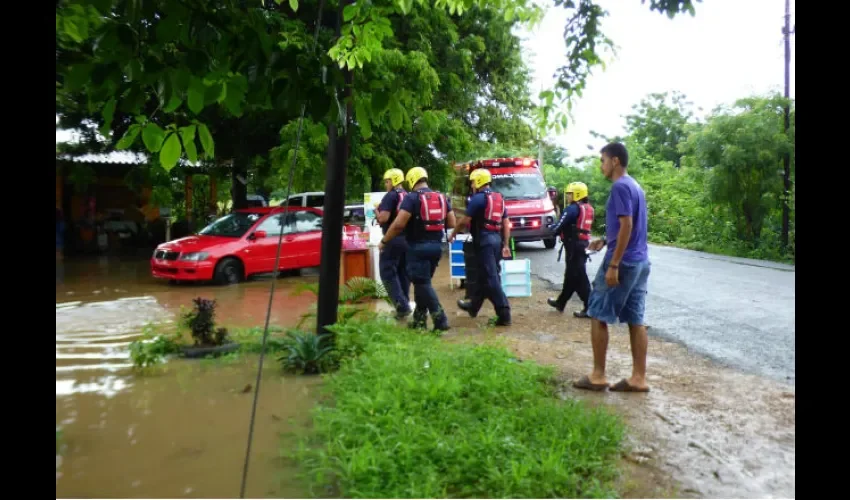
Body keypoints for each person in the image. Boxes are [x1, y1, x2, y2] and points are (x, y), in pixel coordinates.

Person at [573, 142, 651, 393]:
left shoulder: (619, 187)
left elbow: (627, 225)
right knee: (636, 319)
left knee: (597, 312)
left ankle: (598, 375)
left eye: (602, 160)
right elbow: (631, 227)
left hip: (624, 262)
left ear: (615, 161)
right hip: (640, 261)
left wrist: (614, 263)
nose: (601, 165)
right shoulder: (635, 186)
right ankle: (638, 378)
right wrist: (606, 241)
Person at [380, 167, 456, 331]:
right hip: (437, 247)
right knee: (423, 283)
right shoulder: (441, 197)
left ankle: (440, 319)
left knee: (422, 284)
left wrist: (385, 241)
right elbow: (451, 223)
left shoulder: (412, 198)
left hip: (417, 247)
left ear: (412, 180)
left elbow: (399, 224)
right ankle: (419, 321)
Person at [449, 168, 512, 326]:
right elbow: (506, 223)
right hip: (496, 240)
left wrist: (454, 233)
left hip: (484, 241)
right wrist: (505, 244)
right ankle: (474, 306)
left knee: (491, 277)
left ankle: (504, 313)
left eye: (472, 181)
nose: (471, 184)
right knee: (483, 275)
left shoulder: (477, 199)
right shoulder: (499, 198)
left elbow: (464, 220)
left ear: (478, 181)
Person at [546, 182, 594, 318]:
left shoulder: (572, 209)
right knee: (571, 276)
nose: (567, 197)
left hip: (574, 247)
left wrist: (550, 230)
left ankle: (590, 307)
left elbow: (559, 225)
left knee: (579, 278)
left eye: (570, 194)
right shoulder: (588, 208)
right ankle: (561, 302)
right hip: (583, 245)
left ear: (577, 194)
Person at [376, 168, 411, 318]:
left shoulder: (390, 196)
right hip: (407, 239)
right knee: (403, 272)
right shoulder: (408, 195)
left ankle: (401, 306)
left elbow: (383, 218)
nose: (386, 184)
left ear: (394, 180)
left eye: (387, 181)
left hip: (392, 239)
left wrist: (376, 210)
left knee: (387, 272)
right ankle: (405, 301)